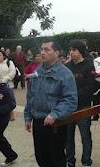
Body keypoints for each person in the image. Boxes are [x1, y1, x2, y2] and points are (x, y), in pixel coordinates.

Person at [24, 39, 78, 167]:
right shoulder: (38, 71)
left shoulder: (65, 74)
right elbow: (31, 95)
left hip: (55, 124)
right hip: (38, 122)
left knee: (56, 159)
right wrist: (27, 117)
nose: (42, 52)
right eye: (42, 49)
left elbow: (70, 100)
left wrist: (55, 114)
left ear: (57, 53)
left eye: (47, 49)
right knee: (41, 157)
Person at [65, 40, 96, 167]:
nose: (71, 53)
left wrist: (73, 95)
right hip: (67, 108)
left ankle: (86, 161)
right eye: (70, 50)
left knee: (85, 136)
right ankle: (70, 160)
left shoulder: (89, 65)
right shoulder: (67, 66)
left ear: (81, 51)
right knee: (68, 136)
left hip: (83, 106)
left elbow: (91, 86)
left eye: (74, 50)